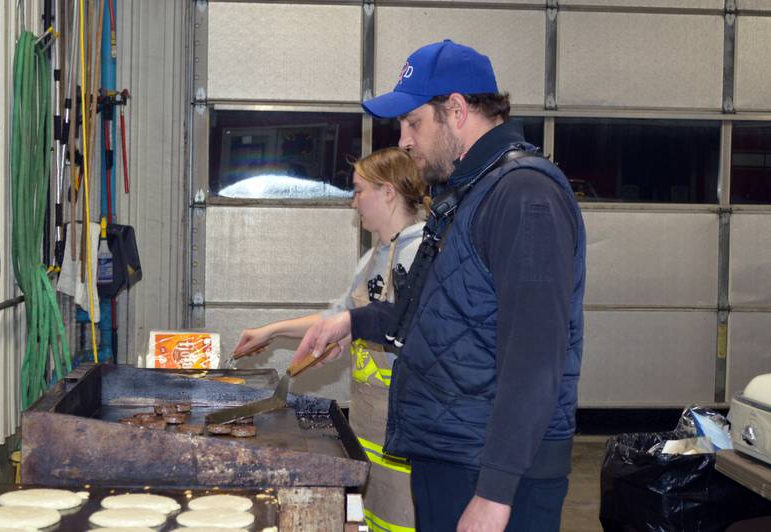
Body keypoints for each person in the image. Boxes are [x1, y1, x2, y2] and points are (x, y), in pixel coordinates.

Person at [292, 40, 586, 532]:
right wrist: (353, 321)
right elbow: (433, 318)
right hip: (450, 455)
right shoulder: (469, 195)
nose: (403, 141)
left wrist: (495, 494)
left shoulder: (524, 197)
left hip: (492, 476)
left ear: (455, 109)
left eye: (413, 123)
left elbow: (535, 358)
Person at [233, 147, 426, 531]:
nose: (354, 202)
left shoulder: (421, 253)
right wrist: (272, 331)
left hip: (408, 437)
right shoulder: (373, 258)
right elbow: (334, 319)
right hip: (371, 431)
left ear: (388, 193)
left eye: (359, 191)